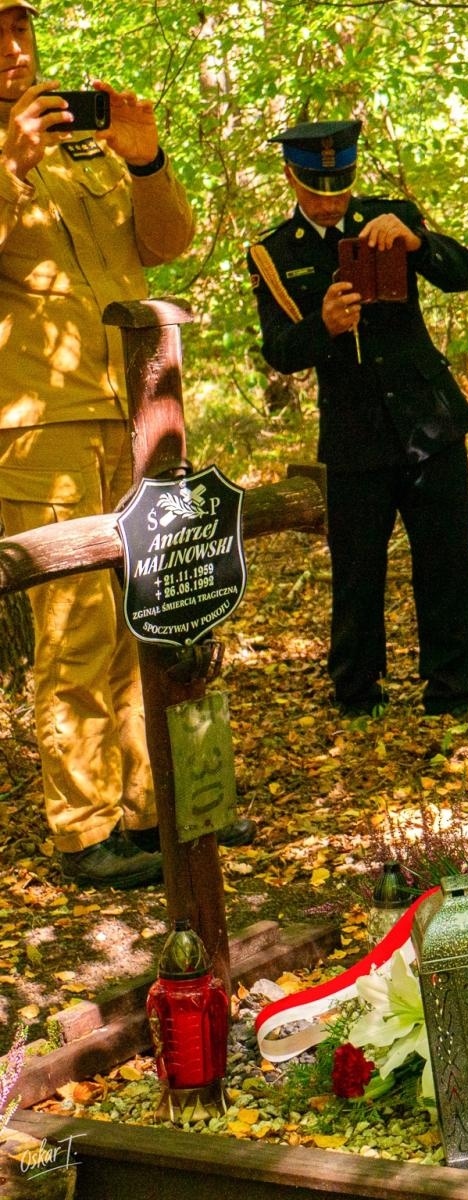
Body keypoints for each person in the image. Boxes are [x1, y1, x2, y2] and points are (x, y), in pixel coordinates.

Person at [0, 1, 251, 889]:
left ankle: (153, 808)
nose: (13, 50)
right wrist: (7, 169)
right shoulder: (13, 154)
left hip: (143, 403)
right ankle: (85, 827)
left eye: (20, 31)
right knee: (75, 632)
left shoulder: (83, 143)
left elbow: (167, 243)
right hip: (42, 421)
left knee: (156, 609)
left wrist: (147, 160)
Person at [248, 119, 468, 718]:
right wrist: (321, 328)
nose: (329, 198)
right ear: (291, 177)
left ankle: (454, 691)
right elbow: (279, 349)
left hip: (429, 421)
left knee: (448, 562)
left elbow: (466, 274)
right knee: (357, 573)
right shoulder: (275, 253)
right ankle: (358, 695)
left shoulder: (390, 215)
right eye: (315, 185)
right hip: (353, 435)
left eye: (340, 183)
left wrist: (417, 243)